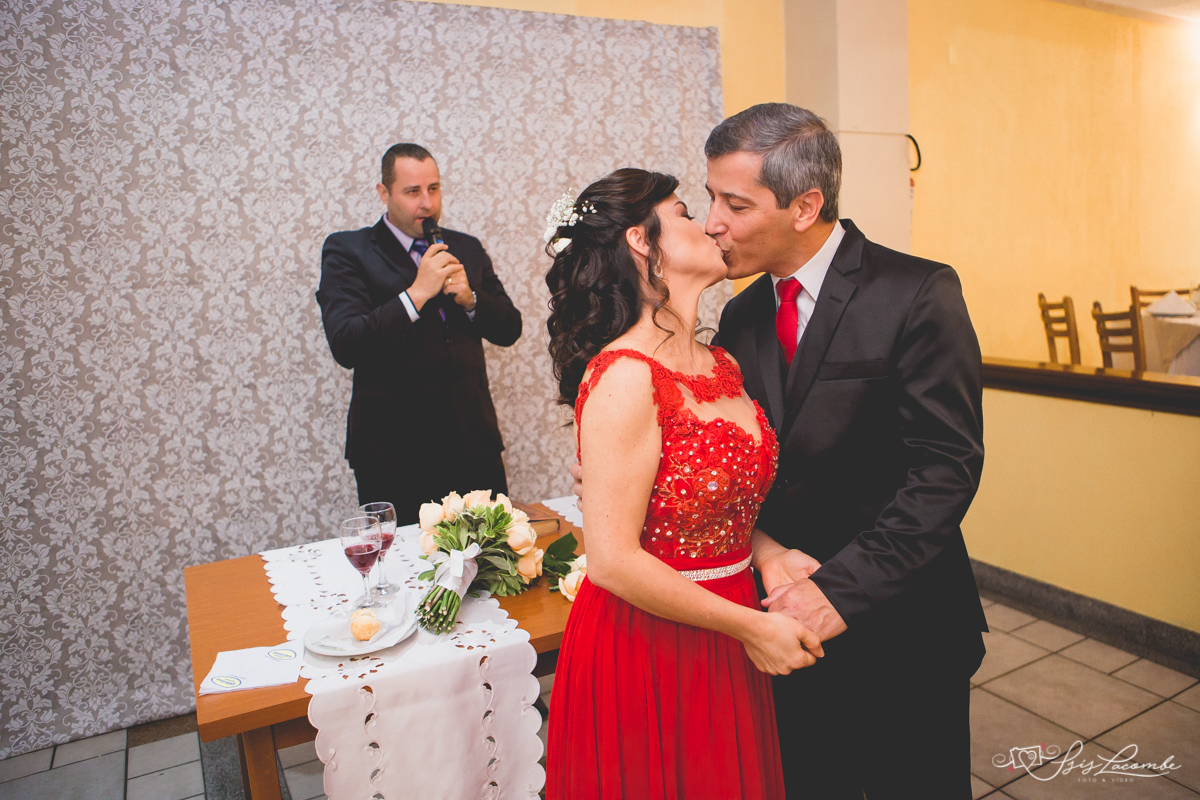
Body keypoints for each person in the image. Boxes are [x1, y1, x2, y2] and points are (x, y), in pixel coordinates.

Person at [573, 104, 987, 798]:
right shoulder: (741, 314)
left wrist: (839, 591)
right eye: (708, 199)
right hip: (771, 628)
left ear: (805, 207)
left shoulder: (915, 292)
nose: (714, 222)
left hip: (903, 624)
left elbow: (945, 469)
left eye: (735, 204)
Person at [543, 168, 823, 800]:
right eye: (687, 212)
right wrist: (751, 627)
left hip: (728, 624)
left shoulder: (722, 363)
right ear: (641, 241)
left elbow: (708, 504)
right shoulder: (623, 374)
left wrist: (767, 553)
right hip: (649, 639)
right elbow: (612, 561)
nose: (712, 224)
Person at [316, 143, 521, 523]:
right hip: (393, 455)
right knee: (407, 559)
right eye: (412, 192)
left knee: (494, 553)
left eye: (434, 189)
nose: (427, 203)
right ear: (384, 193)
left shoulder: (466, 248)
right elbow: (346, 343)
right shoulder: (348, 250)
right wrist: (416, 294)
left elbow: (510, 328)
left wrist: (471, 299)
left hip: (474, 446)